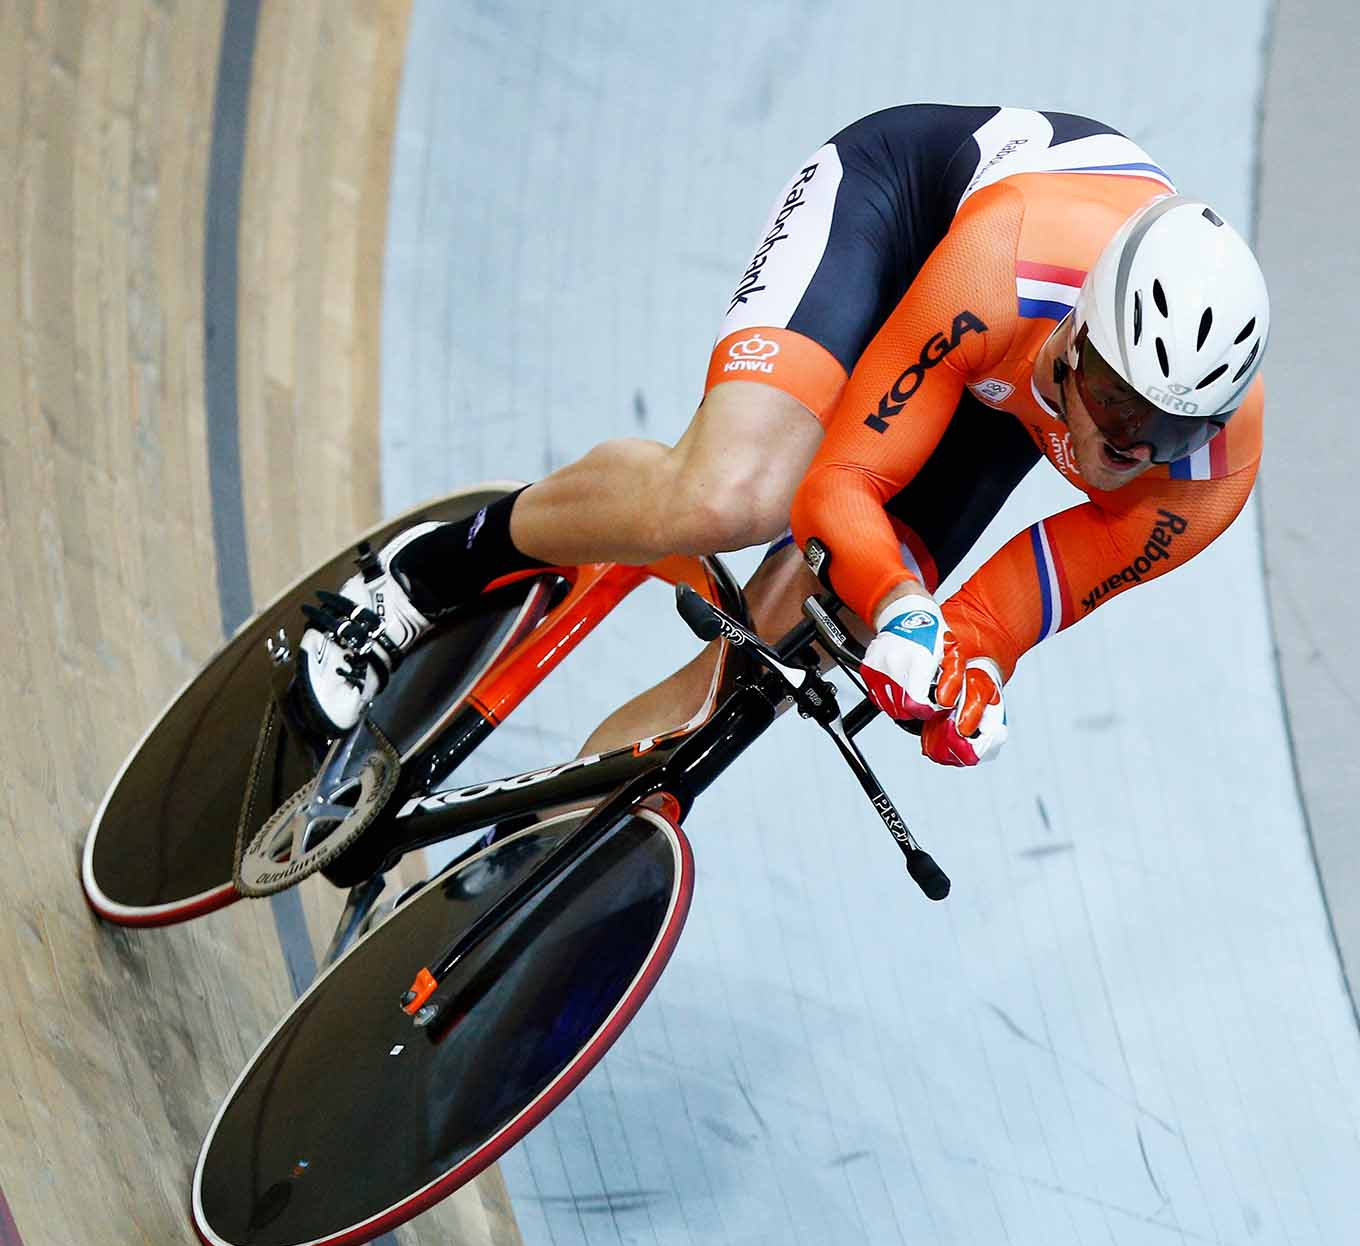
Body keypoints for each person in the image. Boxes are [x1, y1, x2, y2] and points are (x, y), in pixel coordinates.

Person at [297, 104, 1268, 767]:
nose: (1118, 444)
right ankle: (428, 573)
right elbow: (836, 487)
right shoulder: (1006, 267)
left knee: (793, 634)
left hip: (998, 387)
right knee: (738, 495)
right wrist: (900, 599)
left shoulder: (1205, 481)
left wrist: (957, 685)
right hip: (900, 218)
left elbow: (995, 623)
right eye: (1109, 394)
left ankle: (539, 852)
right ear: (1082, 332)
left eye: (1161, 429)